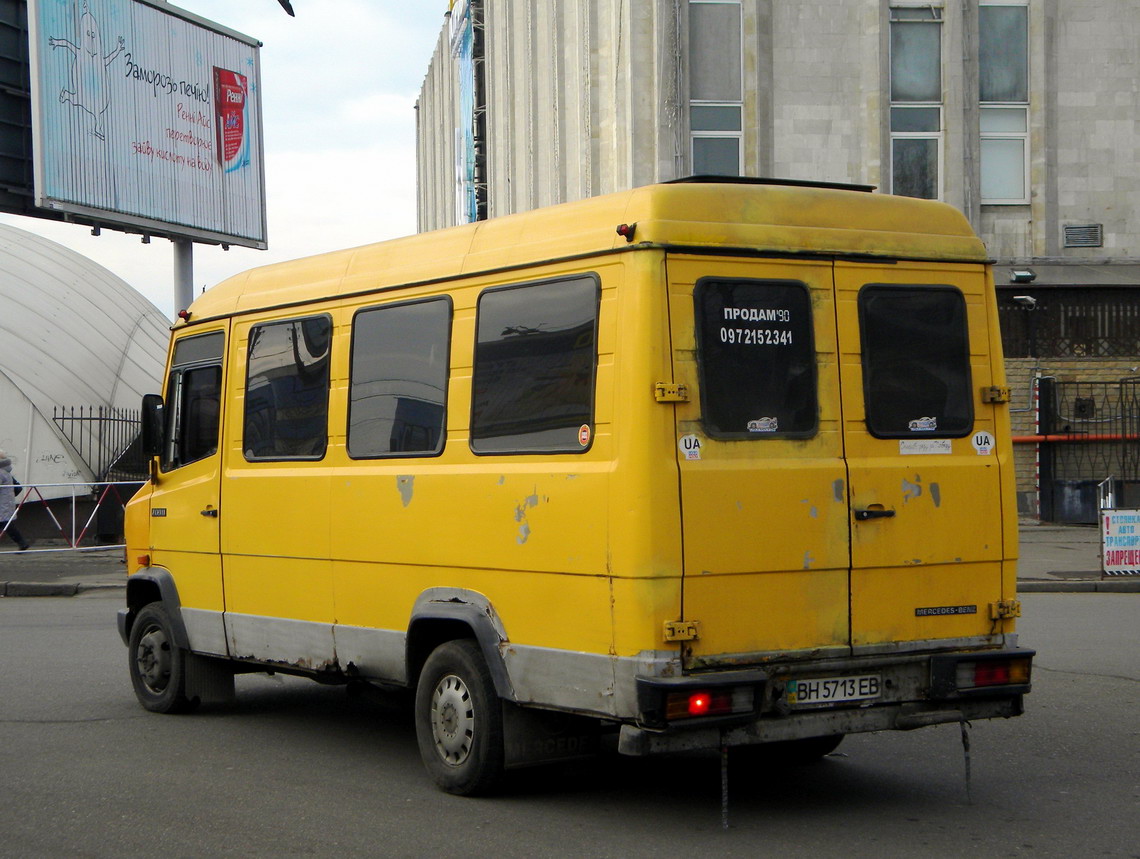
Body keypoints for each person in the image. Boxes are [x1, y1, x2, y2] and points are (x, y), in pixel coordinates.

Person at [0, 449, 31, 551]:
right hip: (6, 502)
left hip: (3, 503)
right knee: (7, 524)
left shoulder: (1, 472)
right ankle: (22, 543)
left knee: (6, 524)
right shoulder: (6, 471)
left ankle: (22, 542)